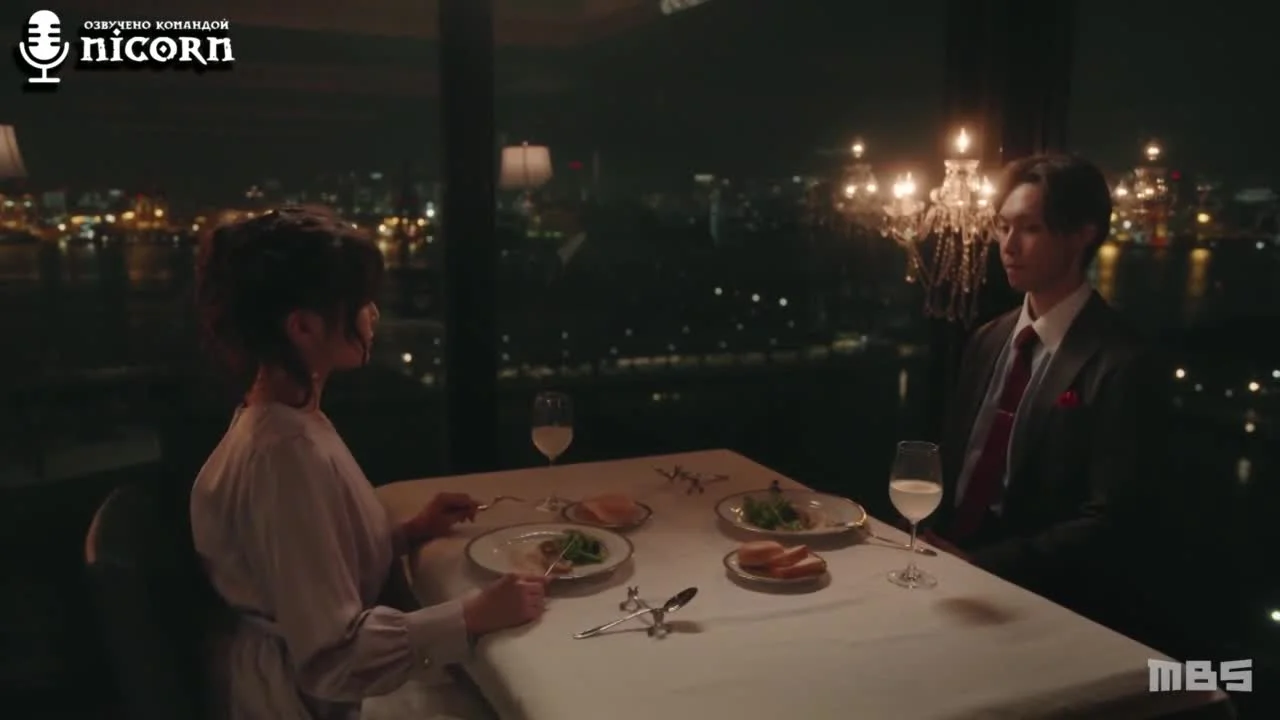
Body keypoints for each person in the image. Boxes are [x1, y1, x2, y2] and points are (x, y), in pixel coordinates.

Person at [190, 206, 548, 720]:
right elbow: (332, 660)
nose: (373, 314)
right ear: (303, 326)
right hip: (306, 701)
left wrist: (408, 533)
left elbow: (309, 565)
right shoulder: (283, 457)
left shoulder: (283, 419)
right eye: (359, 303)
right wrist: (473, 615)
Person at [928, 155, 1166, 607]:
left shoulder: (1122, 361)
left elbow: (1110, 519)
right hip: (943, 561)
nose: (1008, 245)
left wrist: (983, 565)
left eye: (1030, 229)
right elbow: (955, 456)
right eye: (1003, 227)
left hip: (1039, 592)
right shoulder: (989, 338)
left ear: (1083, 234)